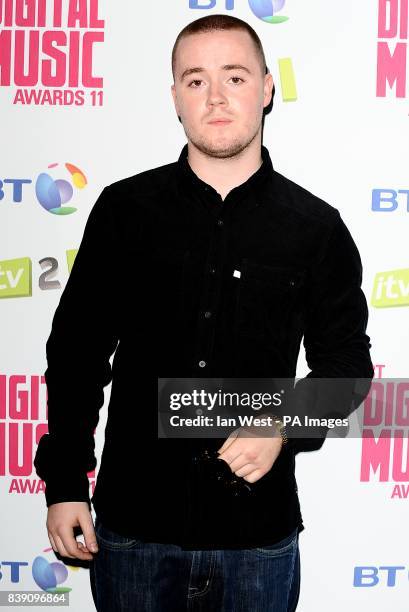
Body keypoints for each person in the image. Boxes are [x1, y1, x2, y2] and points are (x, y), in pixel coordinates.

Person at [34, 13, 373, 612]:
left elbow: (346, 367)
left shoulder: (316, 229)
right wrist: (64, 484)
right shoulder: (124, 211)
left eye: (235, 77)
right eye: (195, 80)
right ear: (174, 98)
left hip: (257, 542)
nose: (215, 97)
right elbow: (76, 353)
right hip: (133, 532)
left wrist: (282, 425)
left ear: (267, 88)